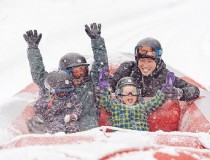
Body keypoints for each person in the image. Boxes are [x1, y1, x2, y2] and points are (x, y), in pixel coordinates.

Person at [24, 23, 108, 131]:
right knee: (37, 122)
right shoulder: (57, 83)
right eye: (77, 71)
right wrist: (33, 49)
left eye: (83, 70)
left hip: (88, 130)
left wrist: (97, 40)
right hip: (61, 129)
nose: (81, 75)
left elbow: (102, 65)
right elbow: (38, 74)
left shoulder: (91, 84)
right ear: (66, 72)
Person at [108, 37, 200, 101]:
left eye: (150, 61)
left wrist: (180, 93)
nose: (145, 66)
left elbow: (194, 90)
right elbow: (110, 84)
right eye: (142, 60)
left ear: (157, 61)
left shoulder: (165, 76)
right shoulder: (127, 68)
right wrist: (106, 90)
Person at [98, 67, 175, 131]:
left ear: (138, 94)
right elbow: (105, 101)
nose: (130, 95)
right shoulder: (115, 106)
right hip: (121, 138)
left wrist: (165, 89)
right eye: (126, 92)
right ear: (120, 95)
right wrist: (103, 87)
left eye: (133, 92)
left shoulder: (143, 105)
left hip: (140, 137)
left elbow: (156, 101)